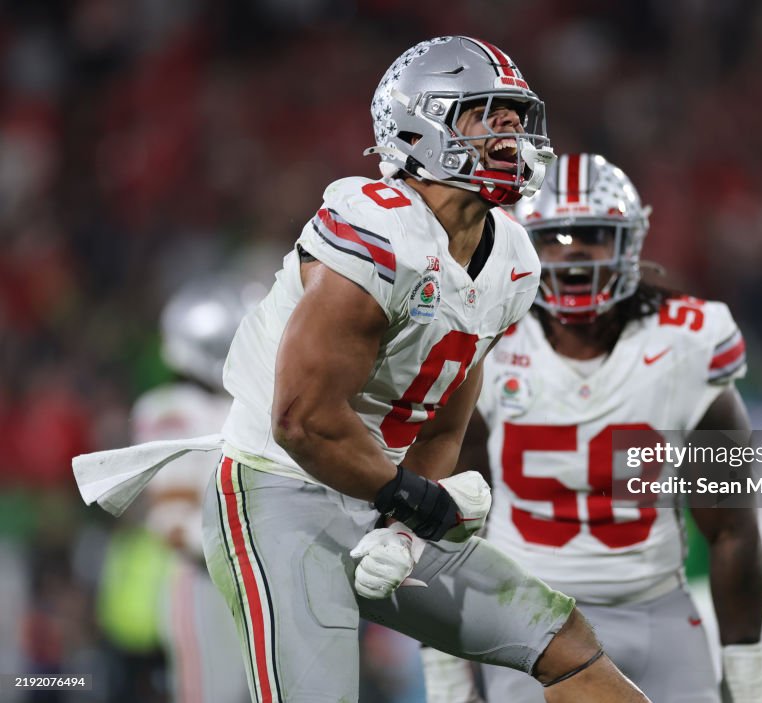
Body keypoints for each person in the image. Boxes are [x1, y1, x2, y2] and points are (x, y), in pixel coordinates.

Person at [196, 38, 651, 702]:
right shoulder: (378, 229)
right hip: (276, 491)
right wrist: (411, 499)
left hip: (379, 495)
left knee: (567, 647)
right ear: (420, 122)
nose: (511, 131)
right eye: (486, 113)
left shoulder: (514, 259)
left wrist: (407, 532)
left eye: (515, 115)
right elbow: (301, 420)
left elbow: (443, 423)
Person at [421, 154, 762, 703]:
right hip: (525, 613)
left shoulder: (688, 343)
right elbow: (440, 524)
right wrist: (445, 671)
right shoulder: (484, 336)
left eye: (593, 235)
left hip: (656, 607)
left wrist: (746, 673)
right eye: (553, 237)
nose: (573, 251)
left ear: (629, 245)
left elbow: (732, 529)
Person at [134, 277, 256, 703]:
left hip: (249, 577)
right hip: (207, 578)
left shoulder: (239, 406)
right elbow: (172, 522)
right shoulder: (173, 409)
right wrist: (246, 548)